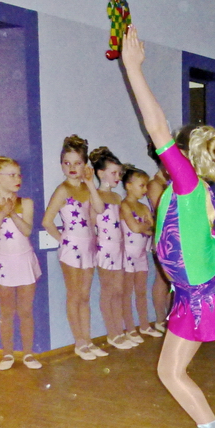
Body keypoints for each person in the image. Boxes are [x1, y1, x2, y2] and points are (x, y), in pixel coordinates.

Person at [120, 26, 215, 428]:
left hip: (198, 294)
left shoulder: (187, 184)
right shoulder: (184, 190)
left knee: (171, 372)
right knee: (170, 371)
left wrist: (133, 69)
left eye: (172, 150)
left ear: (185, 156)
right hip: (193, 291)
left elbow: (156, 126)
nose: (163, 153)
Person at [41, 135, 107, 360]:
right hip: (72, 248)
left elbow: (99, 209)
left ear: (85, 165)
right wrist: (64, 240)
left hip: (89, 246)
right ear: (61, 164)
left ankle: (88, 340)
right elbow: (47, 221)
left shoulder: (87, 189)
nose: (71, 167)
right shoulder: (62, 190)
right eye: (66, 163)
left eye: (77, 163)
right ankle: (79, 342)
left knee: (85, 296)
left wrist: (90, 183)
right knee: (74, 295)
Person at [0, 155, 42, 371]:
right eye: (12, 175)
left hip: (24, 261)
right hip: (4, 263)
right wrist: (2, 213)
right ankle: (7, 354)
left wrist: (12, 213)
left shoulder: (26, 203)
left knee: (26, 310)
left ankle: (28, 353)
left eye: (18, 175)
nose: (17, 179)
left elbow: (27, 230)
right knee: (6, 311)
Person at [90, 146, 135, 351]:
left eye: (119, 173)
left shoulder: (117, 198)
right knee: (108, 291)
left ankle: (120, 330)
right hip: (104, 249)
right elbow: (92, 223)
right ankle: (112, 333)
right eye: (114, 173)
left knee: (119, 290)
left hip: (119, 249)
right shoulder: (95, 196)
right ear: (101, 173)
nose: (118, 177)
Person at [120, 164, 162, 344]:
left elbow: (153, 228)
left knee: (141, 291)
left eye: (146, 185)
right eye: (142, 185)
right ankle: (130, 328)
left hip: (141, 255)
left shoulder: (144, 207)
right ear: (128, 186)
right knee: (127, 293)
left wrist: (145, 227)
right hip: (127, 255)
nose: (145, 189)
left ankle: (144, 325)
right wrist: (145, 226)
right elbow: (135, 227)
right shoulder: (124, 205)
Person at [145, 143, 172, 332]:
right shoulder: (155, 184)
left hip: (175, 234)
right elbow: (161, 211)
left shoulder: (171, 182)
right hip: (163, 235)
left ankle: (172, 317)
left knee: (173, 280)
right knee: (162, 278)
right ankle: (160, 318)